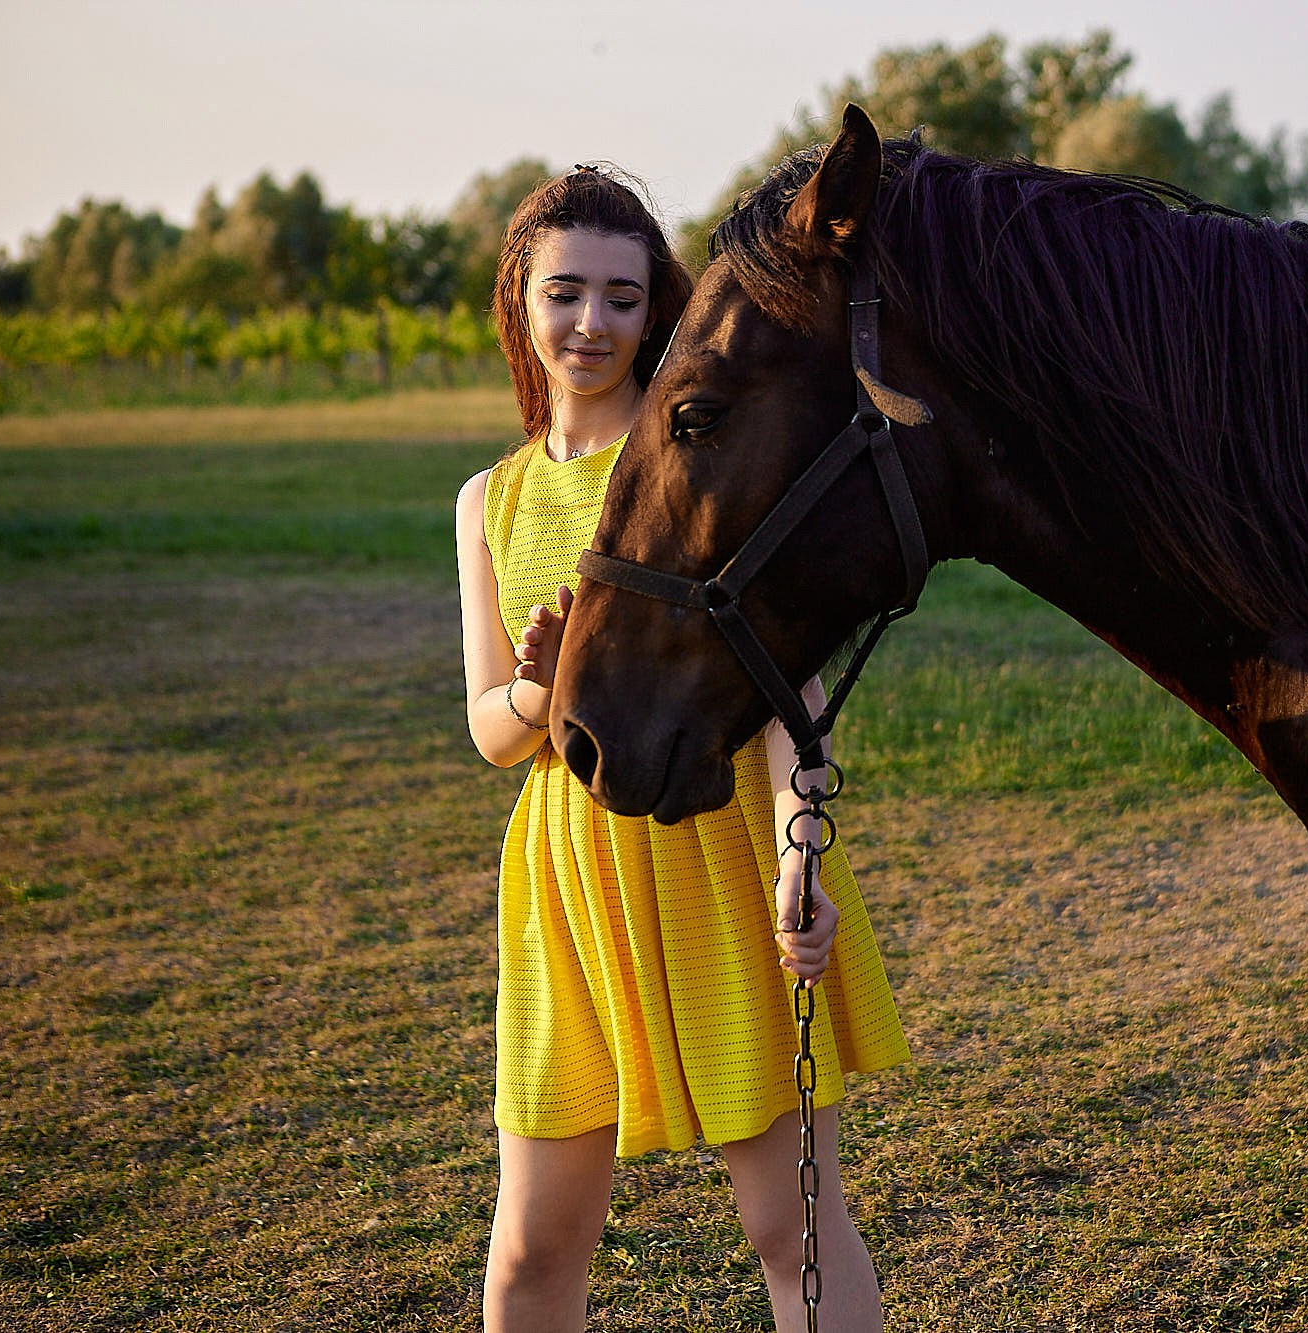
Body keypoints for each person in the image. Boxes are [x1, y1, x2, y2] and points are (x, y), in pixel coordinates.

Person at [453, 164, 910, 1333]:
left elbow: (783, 685)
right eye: (565, 294)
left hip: (714, 854)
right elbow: (492, 730)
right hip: (567, 884)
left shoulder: (697, 456)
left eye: (620, 296)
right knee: (526, 1255)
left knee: (791, 1228)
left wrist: (795, 856)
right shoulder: (488, 500)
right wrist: (536, 683)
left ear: (659, 308)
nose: (591, 323)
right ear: (521, 301)